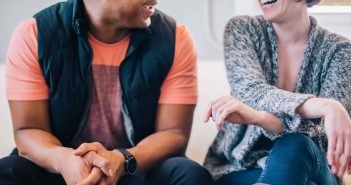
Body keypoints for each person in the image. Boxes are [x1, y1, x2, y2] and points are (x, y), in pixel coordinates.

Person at [0, 0, 215, 185]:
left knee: (189, 174)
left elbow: (173, 133)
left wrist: (122, 160)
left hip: (136, 168)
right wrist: (66, 161)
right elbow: (28, 130)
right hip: (58, 170)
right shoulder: (35, 34)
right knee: (8, 170)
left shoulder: (175, 38)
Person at [203, 0, 351, 184]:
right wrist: (325, 106)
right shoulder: (242, 30)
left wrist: (261, 119)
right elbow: (250, 90)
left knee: (296, 146)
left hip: (314, 166)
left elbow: (327, 141)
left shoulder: (341, 52)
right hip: (241, 168)